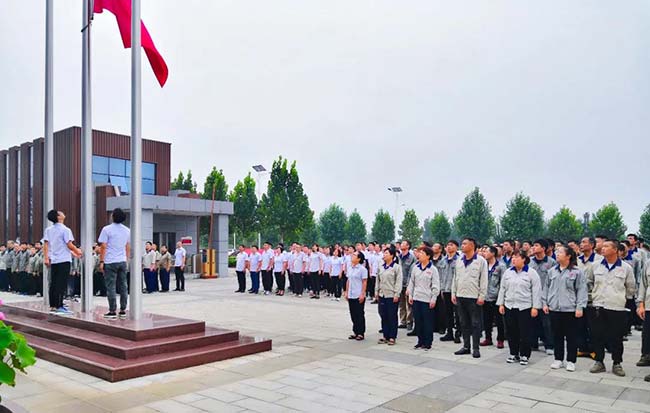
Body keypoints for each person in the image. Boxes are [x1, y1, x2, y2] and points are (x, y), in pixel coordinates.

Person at [587, 240, 636, 377]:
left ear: (615, 250)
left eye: (606, 246)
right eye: (602, 246)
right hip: (598, 305)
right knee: (597, 335)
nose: (603, 249)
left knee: (616, 337)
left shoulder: (626, 268)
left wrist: (621, 299)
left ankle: (617, 363)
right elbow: (589, 282)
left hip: (616, 307)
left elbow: (631, 288)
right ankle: (599, 361)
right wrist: (593, 296)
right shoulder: (595, 266)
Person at [542, 246, 588, 372]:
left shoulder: (577, 272)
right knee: (557, 335)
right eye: (557, 252)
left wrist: (579, 307)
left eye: (561, 252)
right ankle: (558, 359)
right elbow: (546, 288)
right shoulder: (552, 271)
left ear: (568, 256)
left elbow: (581, 290)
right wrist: (544, 303)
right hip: (554, 308)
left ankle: (571, 360)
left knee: (571, 336)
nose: (557, 254)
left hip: (570, 309)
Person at [497, 250, 542, 365]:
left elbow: (536, 291)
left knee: (525, 332)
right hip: (509, 306)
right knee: (511, 332)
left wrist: (535, 307)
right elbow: (502, 288)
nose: (513, 259)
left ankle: (525, 355)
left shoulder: (531, 273)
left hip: (525, 307)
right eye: (513, 257)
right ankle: (513, 353)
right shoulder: (508, 272)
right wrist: (501, 304)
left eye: (516, 257)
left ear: (524, 259)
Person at [451, 238, 488, 358]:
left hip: (474, 297)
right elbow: (455, 278)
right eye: (462, 244)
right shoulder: (459, 260)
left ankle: (476, 348)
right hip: (460, 295)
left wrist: (482, 296)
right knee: (463, 323)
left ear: (472, 246)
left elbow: (484, 280)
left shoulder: (481, 261)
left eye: (465, 244)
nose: (462, 246)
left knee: (475, 323)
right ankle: (466, 346)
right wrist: (453, 293)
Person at [43, 210, 82, 315]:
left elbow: (46, 245)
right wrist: (77, 251)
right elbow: (69, 244)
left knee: (53, 283)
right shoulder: (66, 230)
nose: (63, 213)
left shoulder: (49, 230)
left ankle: (53, 305)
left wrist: (46, 258)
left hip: (54, 260)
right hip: (64, 260)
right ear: (58, 217)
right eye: (60, 212)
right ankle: (59, 306)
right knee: (61, 283)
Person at [97, 208, 130, 319]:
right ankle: (123, 310)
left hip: (110, 261)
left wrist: (101, 261)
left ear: (113, 216)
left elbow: (103, 246)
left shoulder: (107, 229)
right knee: (123, 285)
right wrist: (126, 259)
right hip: (122, 260)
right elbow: (127, 246)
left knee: (111, 286)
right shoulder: (127, 230)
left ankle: (112, 310)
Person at [407, 246, 439, 351]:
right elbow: (412, 282)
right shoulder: (416, 267)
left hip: (427, 299)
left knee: (427, 322)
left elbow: (435, 285)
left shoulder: (433, 269)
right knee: (418, 321)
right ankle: (420, 341)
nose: (419, 255)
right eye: (419, 253)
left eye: (422, 253)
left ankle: (428, 342)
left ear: (428, 256)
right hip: (416, 298)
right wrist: (410, 295)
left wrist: (433, 298)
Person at [529, 239, 556, 355]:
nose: (533, 248)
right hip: (532, 295)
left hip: (546, 296)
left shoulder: (552, 262)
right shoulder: (529, 262)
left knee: (547, 323)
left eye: (536, 245)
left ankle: (549, 345)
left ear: (543, 248)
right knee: (532, 321)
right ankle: (533, 343)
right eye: (533, 245)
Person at [577, 237, 602, 358]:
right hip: (579, 298)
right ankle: (583, 348)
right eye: (581, 242)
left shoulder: (599, 260)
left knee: (593, 326)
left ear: (592, 245)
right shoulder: (578, 260)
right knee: (580, 325)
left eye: (584, 242)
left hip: (593, 297)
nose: (581, 244)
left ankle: (594, 349)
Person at [377, 245, 403, 345]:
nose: (384, 255)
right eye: (384, 253)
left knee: (392, 316)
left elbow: (398, 281)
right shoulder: (381, 267)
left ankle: (392, 336)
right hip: (382, 294)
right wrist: (376, 291)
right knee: (383, 315)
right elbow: (378, 280)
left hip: (391, 295)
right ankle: (385, 335)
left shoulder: (396, 267)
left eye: (386, 253)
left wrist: (397, 294)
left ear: (392, 255)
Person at [481, 246, 506, 349]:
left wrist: (501, 298)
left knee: (499, 320)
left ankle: (500, 339)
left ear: (492, 253)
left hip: (496, 297)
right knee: (487, 319)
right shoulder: (483, 265)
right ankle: (488, 338)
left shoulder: (501, 266)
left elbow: (503, 282)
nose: (484, 254)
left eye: (486, 252)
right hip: (485, 296)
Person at [440, 240, 460, 343]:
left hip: (455, 290)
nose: (449, 247)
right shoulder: (443, 260)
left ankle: (458, 333)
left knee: (458, 313)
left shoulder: (459, 260)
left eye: (451, 245)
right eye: (447, 245)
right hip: (446, 289)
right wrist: (441, 289)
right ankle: (449, 333)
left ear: (456, 247)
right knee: (447, 312)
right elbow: (441, 276)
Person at [345, 251, 368, 341]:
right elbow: (348, 280)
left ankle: (361, 333)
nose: (352, 256)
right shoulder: (350, 267)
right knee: (353, 313)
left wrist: (362, 293)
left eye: (354, 255)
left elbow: (364, 282)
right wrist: (346, 291)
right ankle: (355, 331)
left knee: (359, 314)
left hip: (358, 294)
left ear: (359, 259)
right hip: (351, 294)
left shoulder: (362, 269)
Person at [636, 256, 650, 380]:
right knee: (647, 334)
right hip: (649, 305)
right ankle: (647, 355)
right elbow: (643, 285)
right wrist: (641, 304)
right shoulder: (648, 263)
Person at [397, 241, 416, 332]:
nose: (401, 245)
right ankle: (403, 321)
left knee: (409, 304)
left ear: (408, 246)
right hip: (399, 283)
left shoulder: (412, 258)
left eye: (403, 244)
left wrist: (409, 285)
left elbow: (412, 272)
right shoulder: (398, 257)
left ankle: (409, 321)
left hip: (407, 283)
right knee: (401, 304)